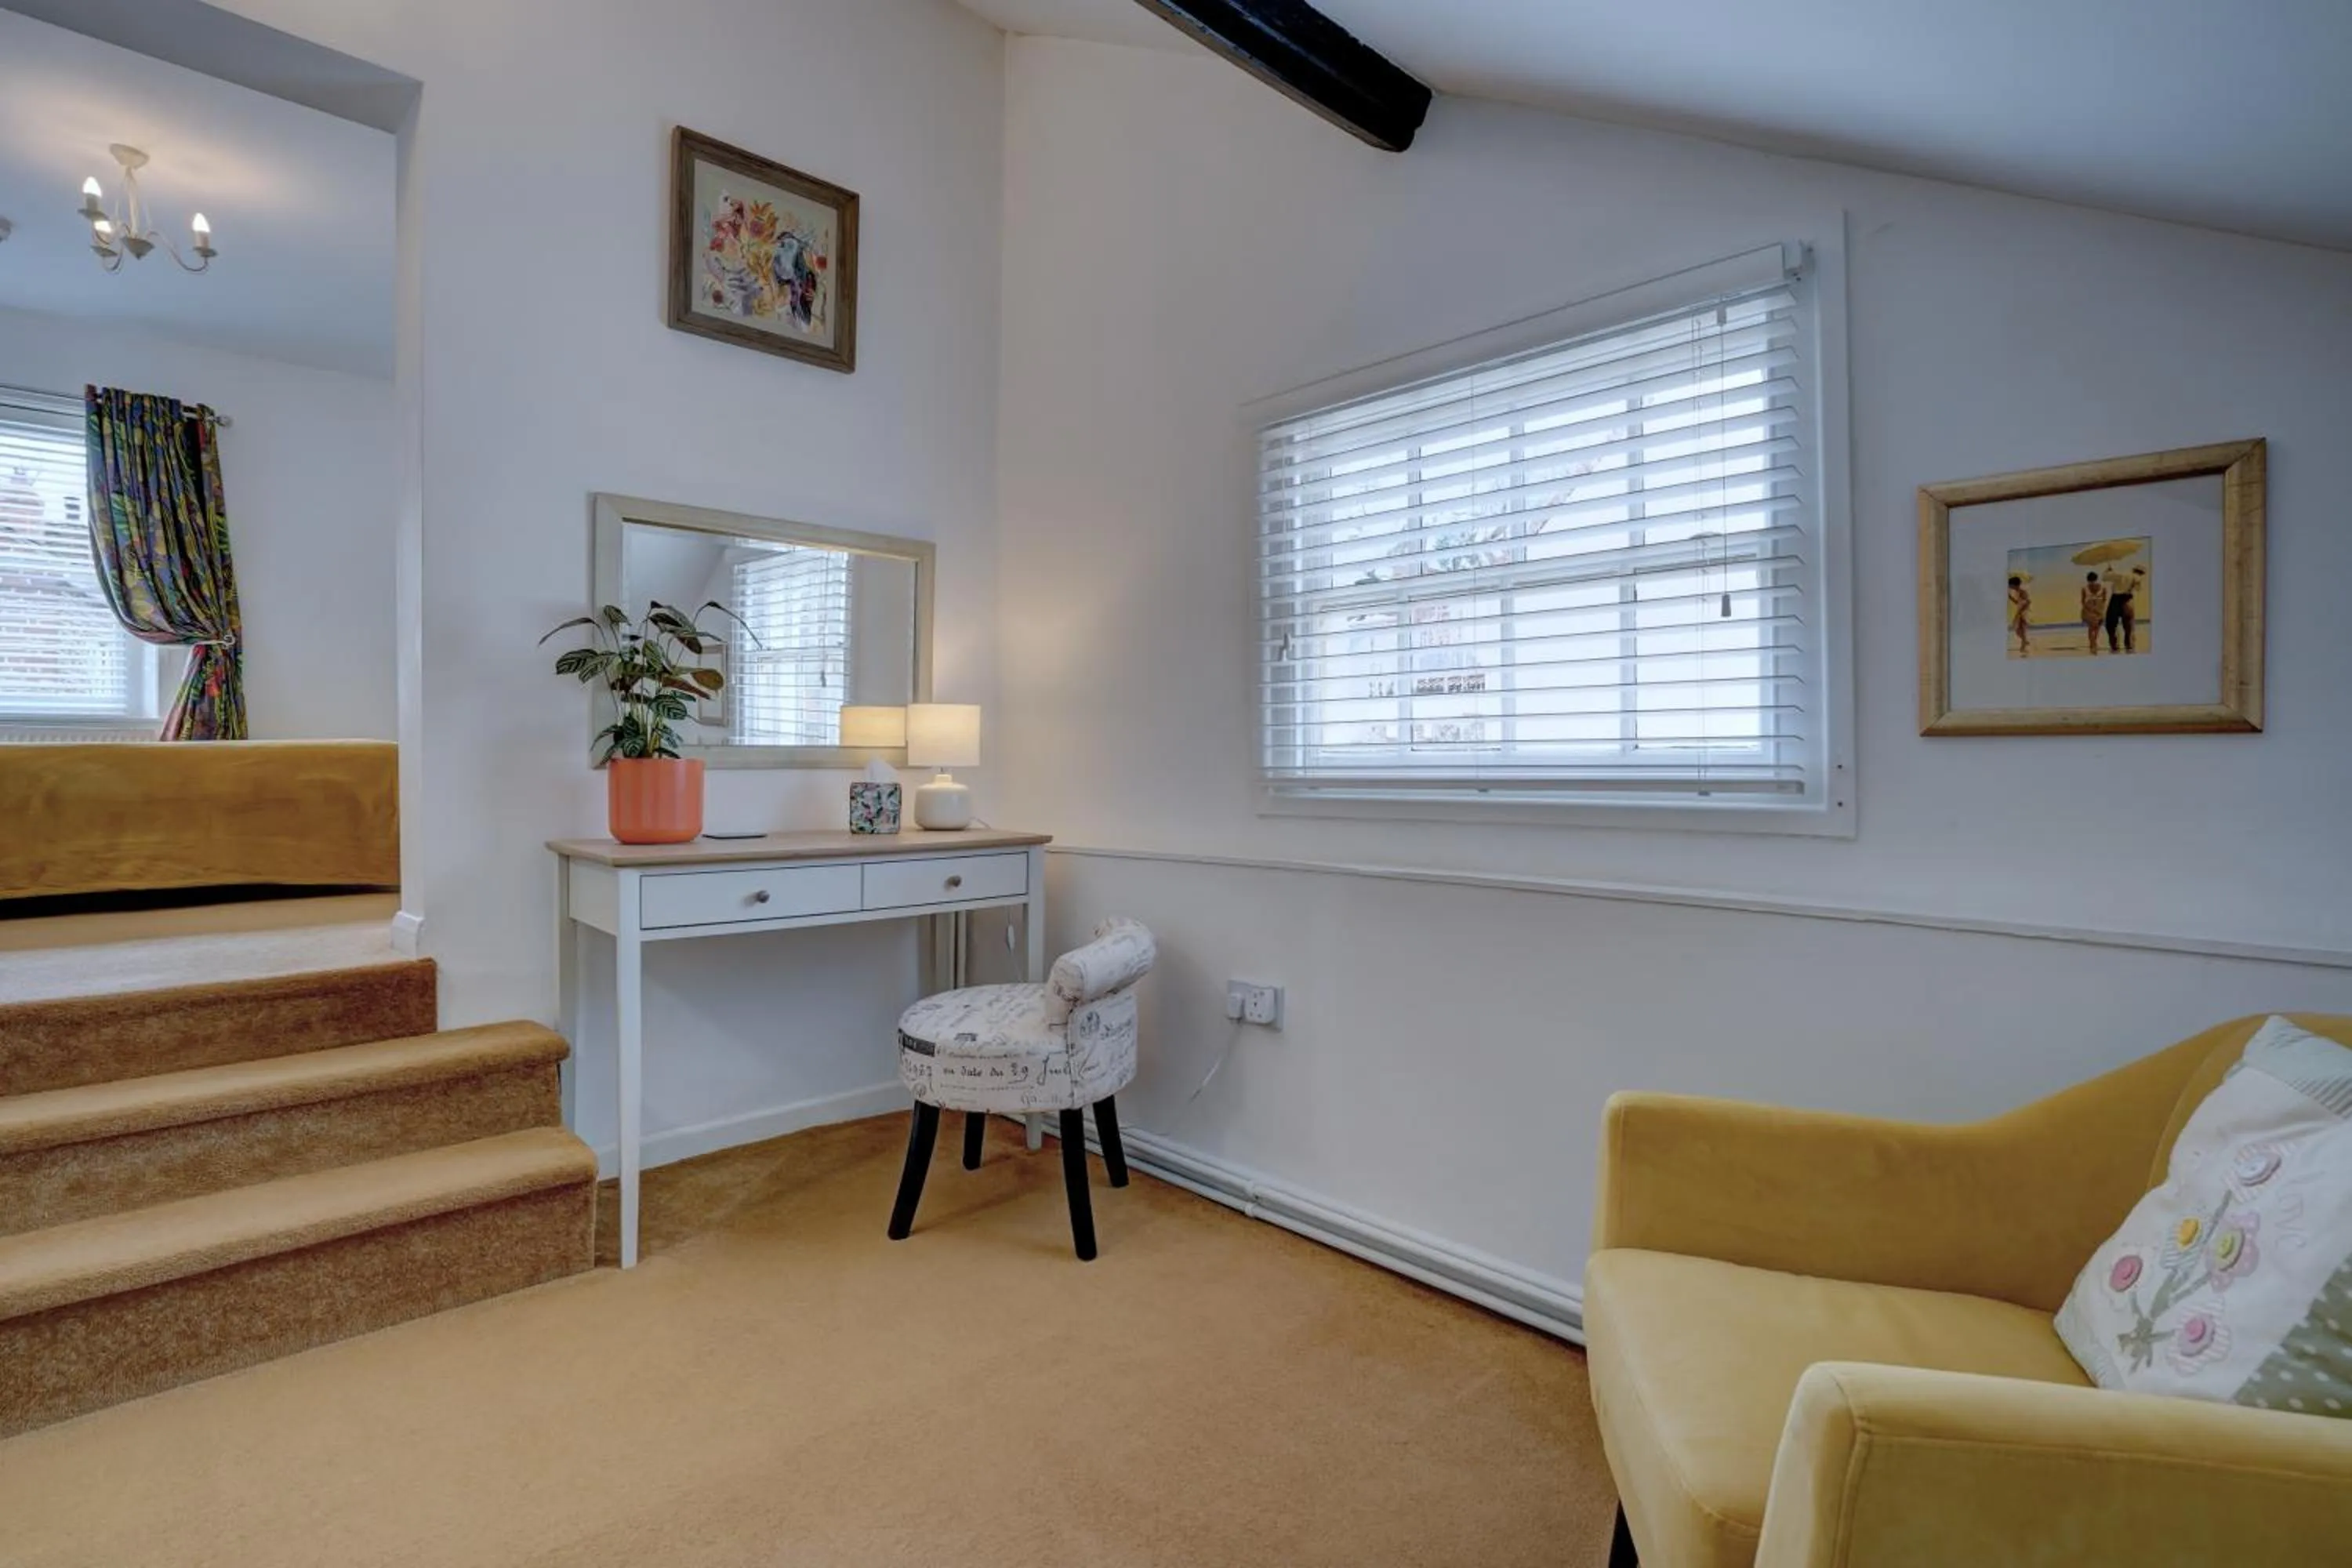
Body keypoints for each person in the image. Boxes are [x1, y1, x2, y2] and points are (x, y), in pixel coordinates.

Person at [2103, 563, 2145, 653]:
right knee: (2129, 625)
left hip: (2115, 599)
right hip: (2128, 599)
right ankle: (2129, 646)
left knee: (2111, 625)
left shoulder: (2121, 574)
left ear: (2134, 569)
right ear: (2141, 573)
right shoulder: (2137, 577)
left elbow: (2104, 577)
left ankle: (2114, 647)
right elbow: (2138, 589)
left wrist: (2108, 571)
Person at [2079, 572, 2108, 655]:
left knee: (2091, 628)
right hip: (2099, 609)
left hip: (2089, 609)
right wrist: (2099, 608)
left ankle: (2092, 643)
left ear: (2088, 579)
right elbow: (2104, 600)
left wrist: (2090, 608)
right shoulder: (2103, 587)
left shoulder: (2085, 588)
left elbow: (2083, 601)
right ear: (2096, 578)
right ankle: (2094, 642)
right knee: (2097, 628)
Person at [2008, 574, 2032, 655]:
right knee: (2017, 630)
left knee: (2022, 629)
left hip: (2024, 613)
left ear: (2015, 585)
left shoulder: (2023, 592)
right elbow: (2018, 603)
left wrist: (2021, 611)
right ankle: (2025, 641)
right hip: (2020, 612)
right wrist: (2010, 598)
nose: (2010, 587)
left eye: (2010, 585)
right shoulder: (2018, 593)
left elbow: (2028, 602)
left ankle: (2023, 647)